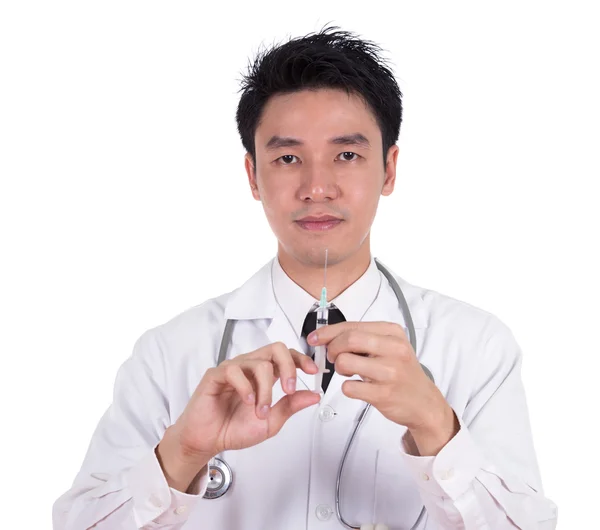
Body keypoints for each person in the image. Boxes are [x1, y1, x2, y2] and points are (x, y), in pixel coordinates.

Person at [53, 26, 558, 529]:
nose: (317, 187)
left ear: (389, 170)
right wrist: (182, 453)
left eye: (346, 155)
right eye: (288, 158)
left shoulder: (476, 347)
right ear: (253, 176)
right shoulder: (169, 355)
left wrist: (436, 426)